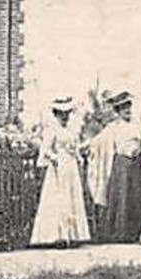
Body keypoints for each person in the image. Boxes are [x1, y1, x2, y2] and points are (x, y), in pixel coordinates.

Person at [85, 91, 141, 243]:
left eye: (128, 107)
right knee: (121, 197)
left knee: (137, 197)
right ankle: (119, 233)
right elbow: (97, 142)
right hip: (120, 165)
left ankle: (137, 232)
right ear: (117, 111)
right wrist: (86, 146)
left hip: (136, 165)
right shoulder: (113, 127)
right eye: (123, 108)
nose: (127, 111)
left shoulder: (139, 126)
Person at [29, 96, 91, 247]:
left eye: (67, 114)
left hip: (71, 167)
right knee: (58, 200)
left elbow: (75, 148)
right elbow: (45, 150)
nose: (65, 117)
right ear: (56, 114)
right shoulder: (52, 130)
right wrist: (54, 158)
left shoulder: (71, 130)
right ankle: (58, 236)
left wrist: (79, 157)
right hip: (58, 167)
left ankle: (73, 234)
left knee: (72, 197)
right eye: (61, 114)